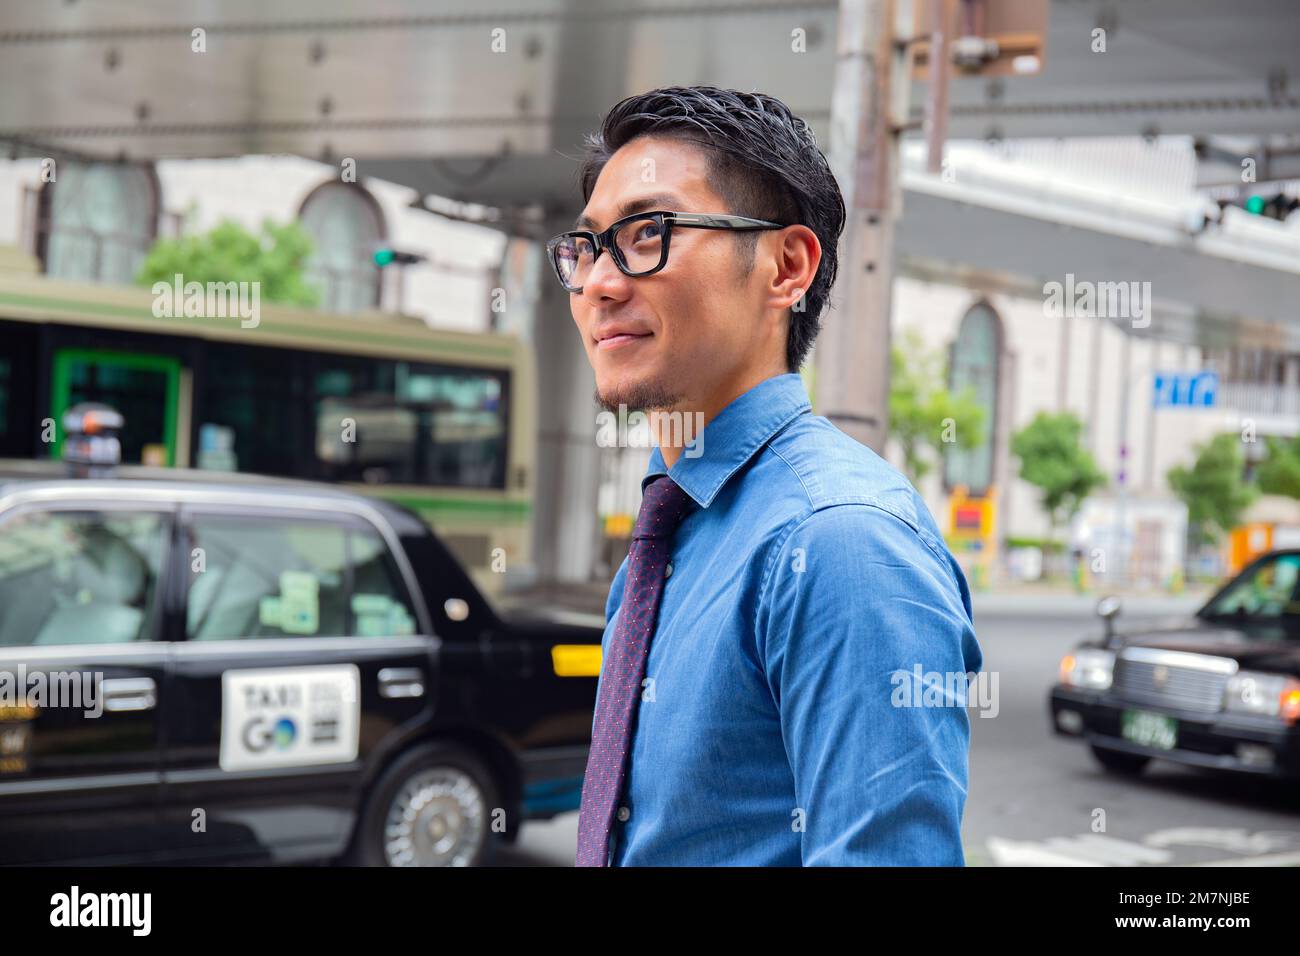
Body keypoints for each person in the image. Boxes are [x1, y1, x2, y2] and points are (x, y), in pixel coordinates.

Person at [550, 86, 983, 866]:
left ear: (787, 266)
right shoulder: (671, 529)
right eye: (586, 247)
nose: (600, 285)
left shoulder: (842, 541)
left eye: (649, 233)